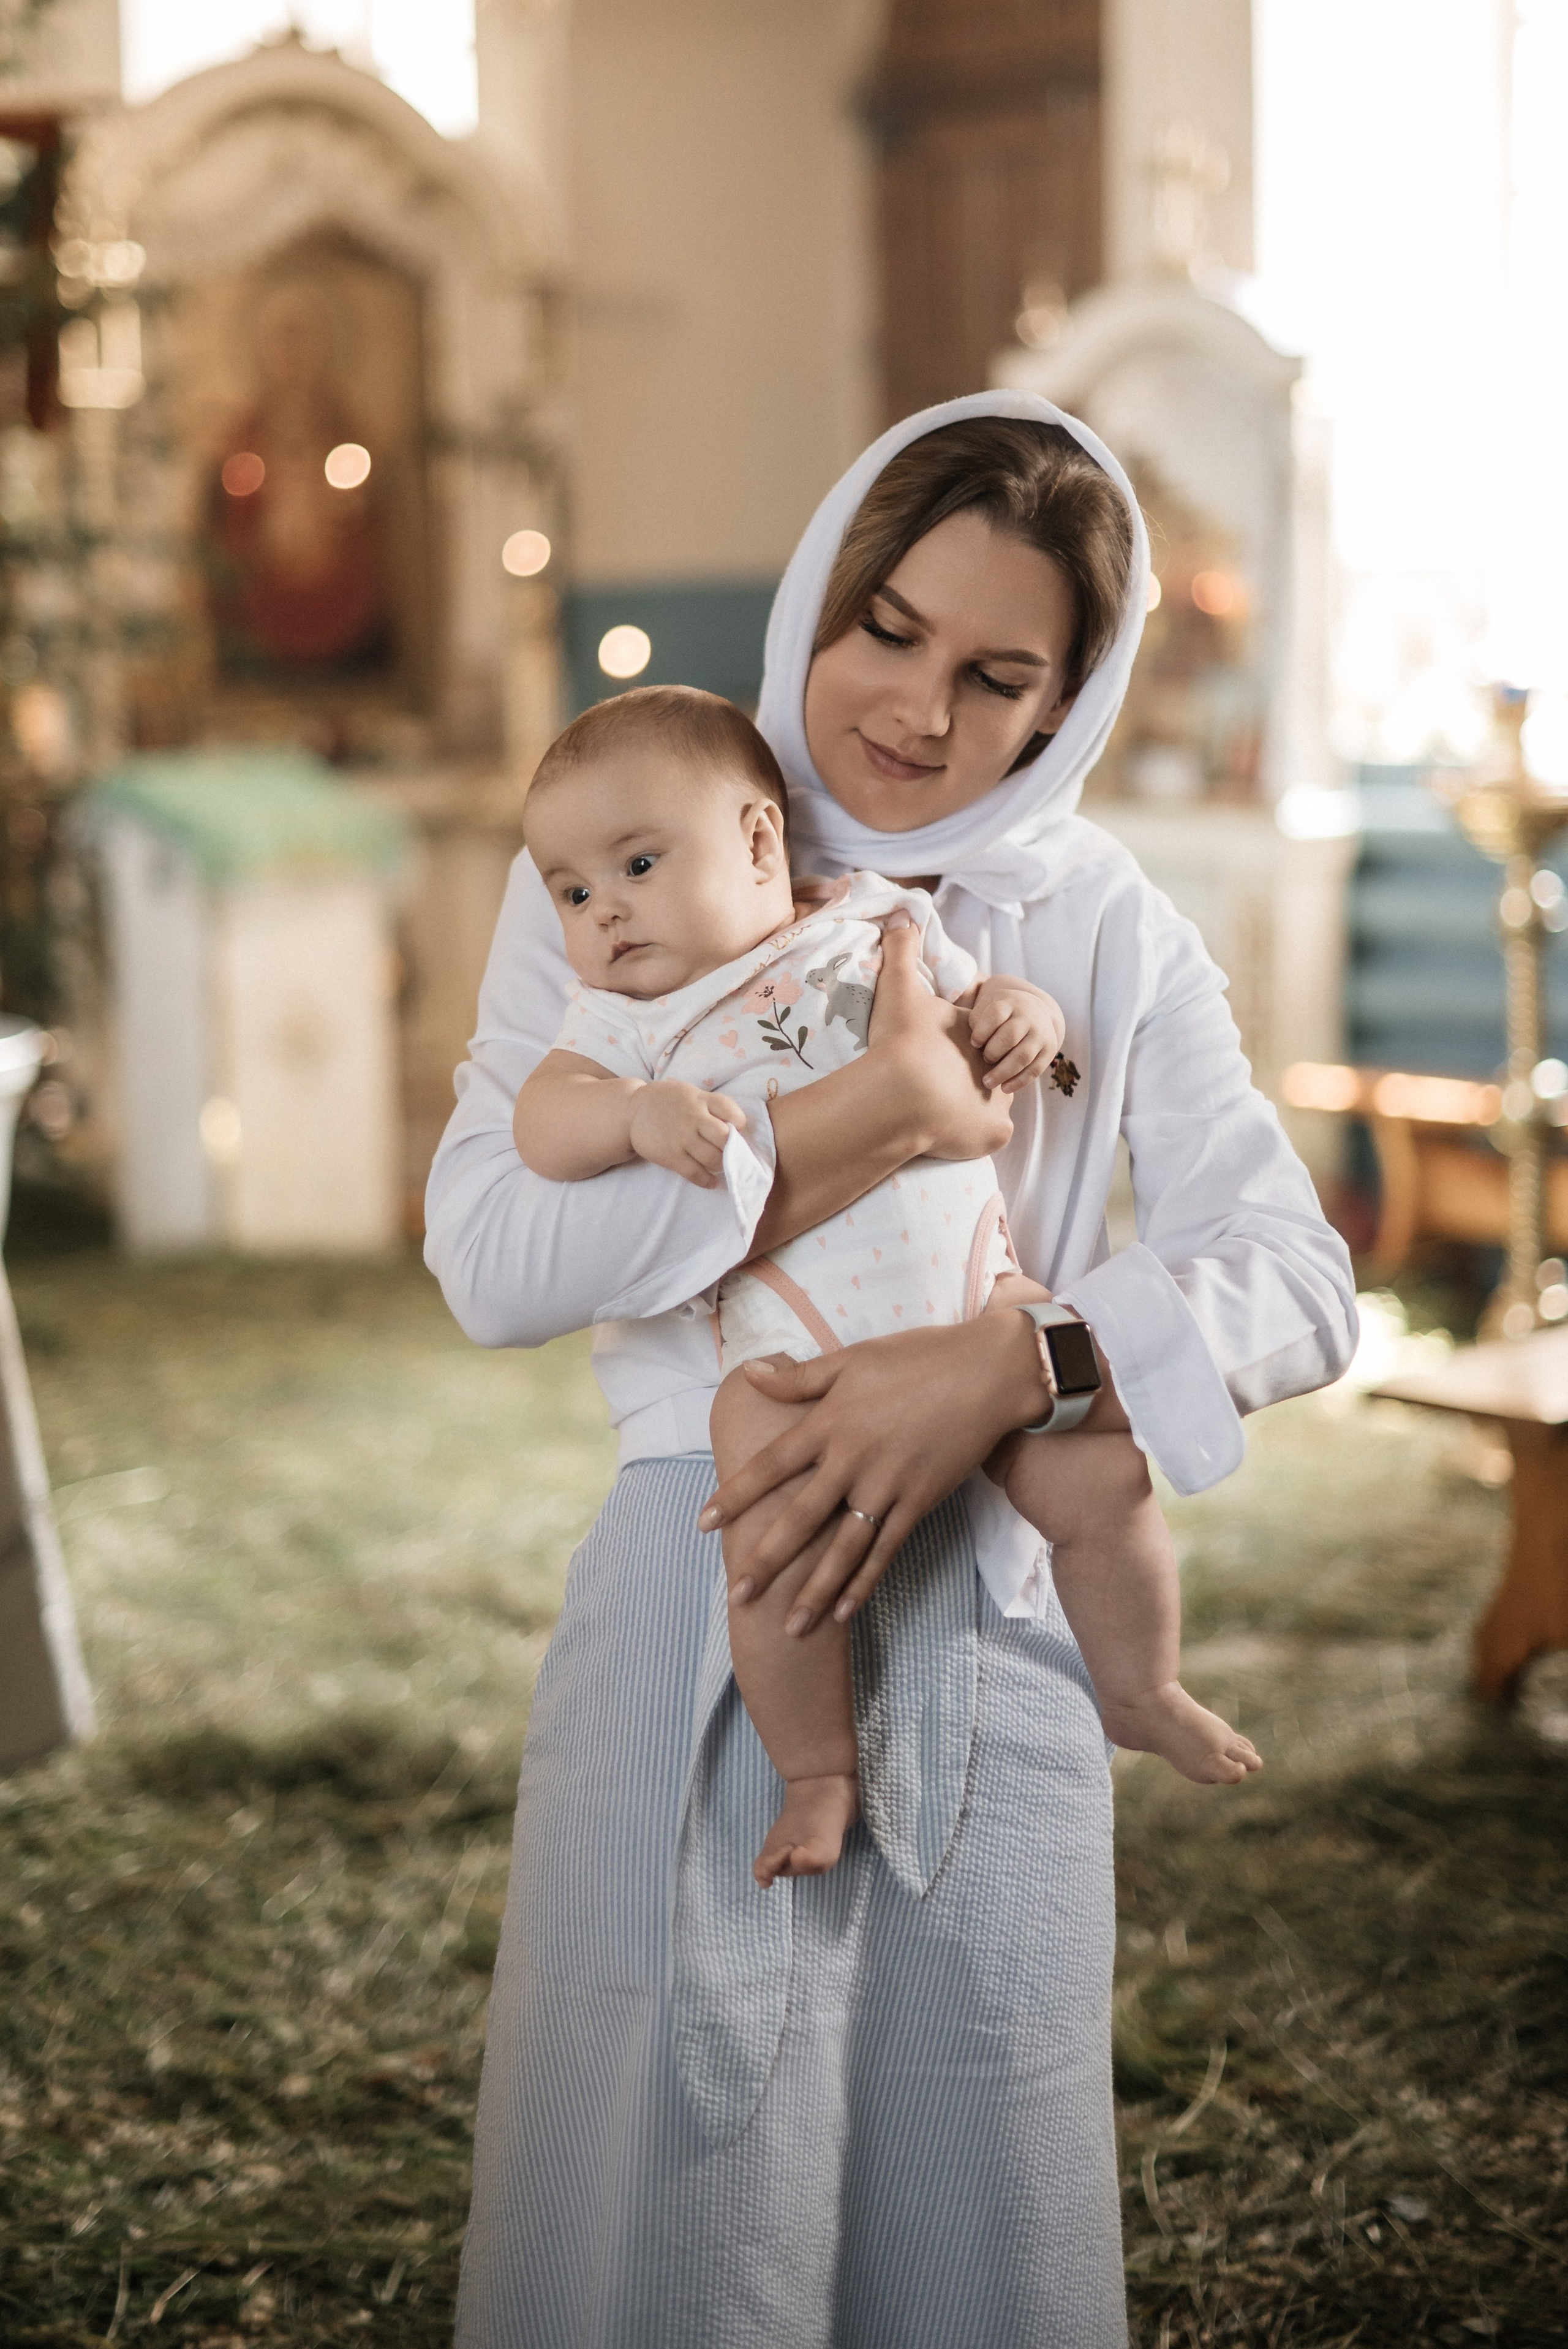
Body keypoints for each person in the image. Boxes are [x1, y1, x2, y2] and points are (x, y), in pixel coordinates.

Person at [425, 392, 1357, 2349]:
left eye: (998, 677)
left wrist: (1020, 1362)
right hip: (715, 1563)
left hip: (1000, 1609)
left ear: (1067, 707)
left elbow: (1296, 1277)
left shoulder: (1100, 922)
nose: (920, 710)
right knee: (670, 2180)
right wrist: (868, 1119)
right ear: (821, 599)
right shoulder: (627, 847)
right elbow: (495, 1255)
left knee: (978, 2176)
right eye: (889, 629)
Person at [511, 684, 1261, 1888]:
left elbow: (977, 1013)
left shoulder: (872, 924)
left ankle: (1141, 1686)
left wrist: (1019, 1011)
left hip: (977, 1298)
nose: (604, 911)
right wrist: (634, 1116)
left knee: (1102, 1475)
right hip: (796, 1355)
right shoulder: (622, 1025)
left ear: (760, 841)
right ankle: (816, 1769)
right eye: (571, 892)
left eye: (637, 865)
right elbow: (544, 1124)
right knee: (769, 1548)